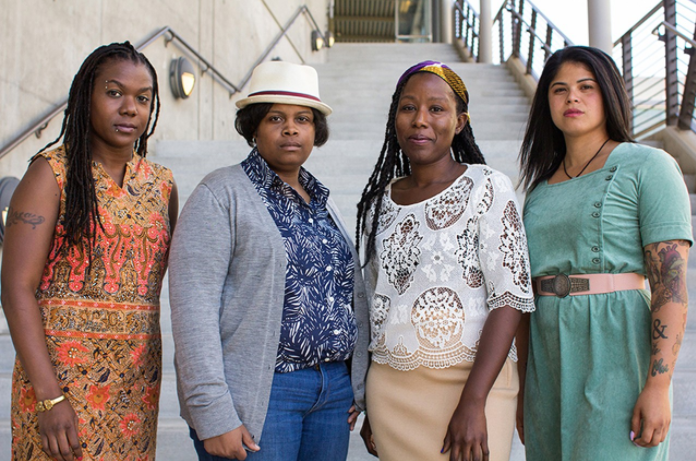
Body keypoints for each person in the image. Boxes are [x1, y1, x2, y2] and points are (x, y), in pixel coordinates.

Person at [168, 60, 369, 461]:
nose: (291, 129)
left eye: (303, 119)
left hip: (332, 395)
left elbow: (349, 299)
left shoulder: (322, 204)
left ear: (316, 131)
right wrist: (212, 412)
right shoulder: (220, 194)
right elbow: (194, 307)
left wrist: (357, 386)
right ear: (254, 126)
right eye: (276, 117)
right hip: (261, 393)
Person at [3, 41, 178, 461]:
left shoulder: (163, 183)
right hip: (60, 383)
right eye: (114, 92)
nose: (130, 108)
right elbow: (15, 287)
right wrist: (48, 397)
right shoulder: (51, 173)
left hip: (135, 386)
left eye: (143, 98)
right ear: (86, 96)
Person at [517, 45, 691, 460]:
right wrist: (524, 388)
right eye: (559, 90)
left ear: (609, 93)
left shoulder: (649, 166)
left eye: (585, 87)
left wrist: (658, 385)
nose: (571, 98)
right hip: (549, 363)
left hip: (616, 353)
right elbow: (521, 298)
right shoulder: (537, 192)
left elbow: (671, 284)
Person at [356, 61, 535, 461]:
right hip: (391, 390)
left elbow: (510, 298)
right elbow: (374, 303)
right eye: (408, 108)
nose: (420, 120)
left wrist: (473, 403)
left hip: (474, 384)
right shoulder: (377, 203)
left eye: (436, 108)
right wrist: (368, 400)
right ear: (395, 118)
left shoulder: (487, 187)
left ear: (459, 122)